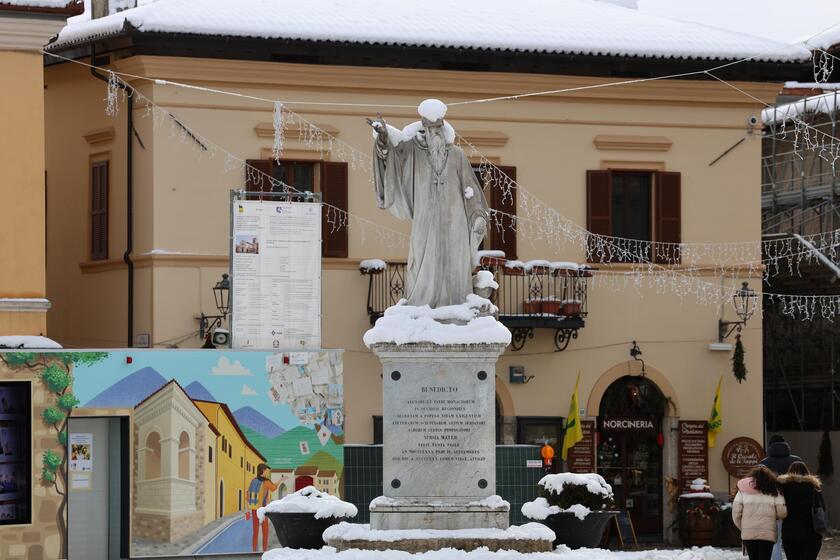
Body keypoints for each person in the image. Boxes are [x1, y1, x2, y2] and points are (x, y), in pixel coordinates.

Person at [759, 434, 802, 559]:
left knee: (775, 542)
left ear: (770, 447)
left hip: (771, 508)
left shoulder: (763, 464)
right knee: (795, 542)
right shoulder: (796, 461)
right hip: (795, 508)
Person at [733, 464, 787, 560]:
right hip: (767, 532)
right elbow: (782, 512)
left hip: (749, 532)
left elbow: (736, 513)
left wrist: (743, 527)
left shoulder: (742, 490)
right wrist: (776, 517)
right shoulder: (775, 489)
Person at [778, 462, 823, 560]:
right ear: (806, 472)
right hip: (811, 532)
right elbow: (822, 507)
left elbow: (779, 507)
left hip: (789, 532)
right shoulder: (814, 486)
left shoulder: (783, 487)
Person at [246, 463, 278, 552]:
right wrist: (281, 480)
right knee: (265, 531)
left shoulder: (253, 480)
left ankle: (253, 551)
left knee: (255, 531)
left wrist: (248, 510)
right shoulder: (266, 482)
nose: (268, 473)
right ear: (263, 471)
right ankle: (264, 551)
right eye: (267, 471)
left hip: (254, 508)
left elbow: (248, 496)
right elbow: (274, 488)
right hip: (263, 509)